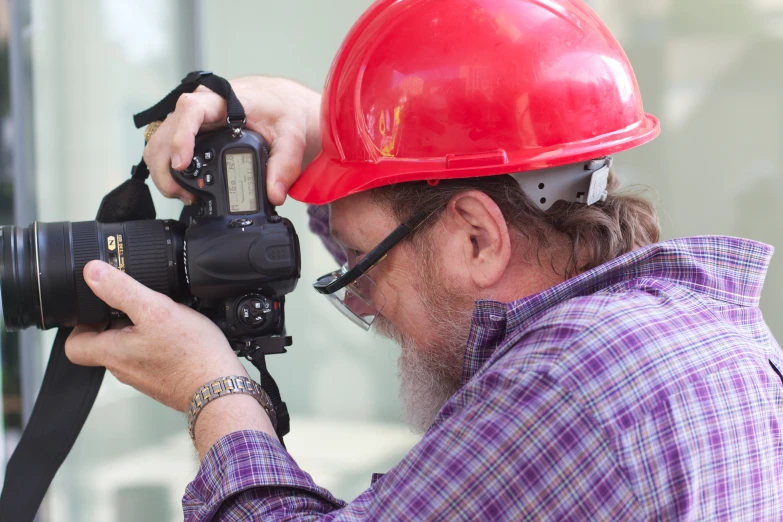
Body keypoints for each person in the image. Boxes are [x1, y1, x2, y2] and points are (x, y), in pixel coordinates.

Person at [65, 0, 783, 520]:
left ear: (476, 237)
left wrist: (212, 390)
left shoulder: (570, 387)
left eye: (358, 264)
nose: (365, 305)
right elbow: (404, 220)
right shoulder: (690, 334)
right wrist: (323, 126)